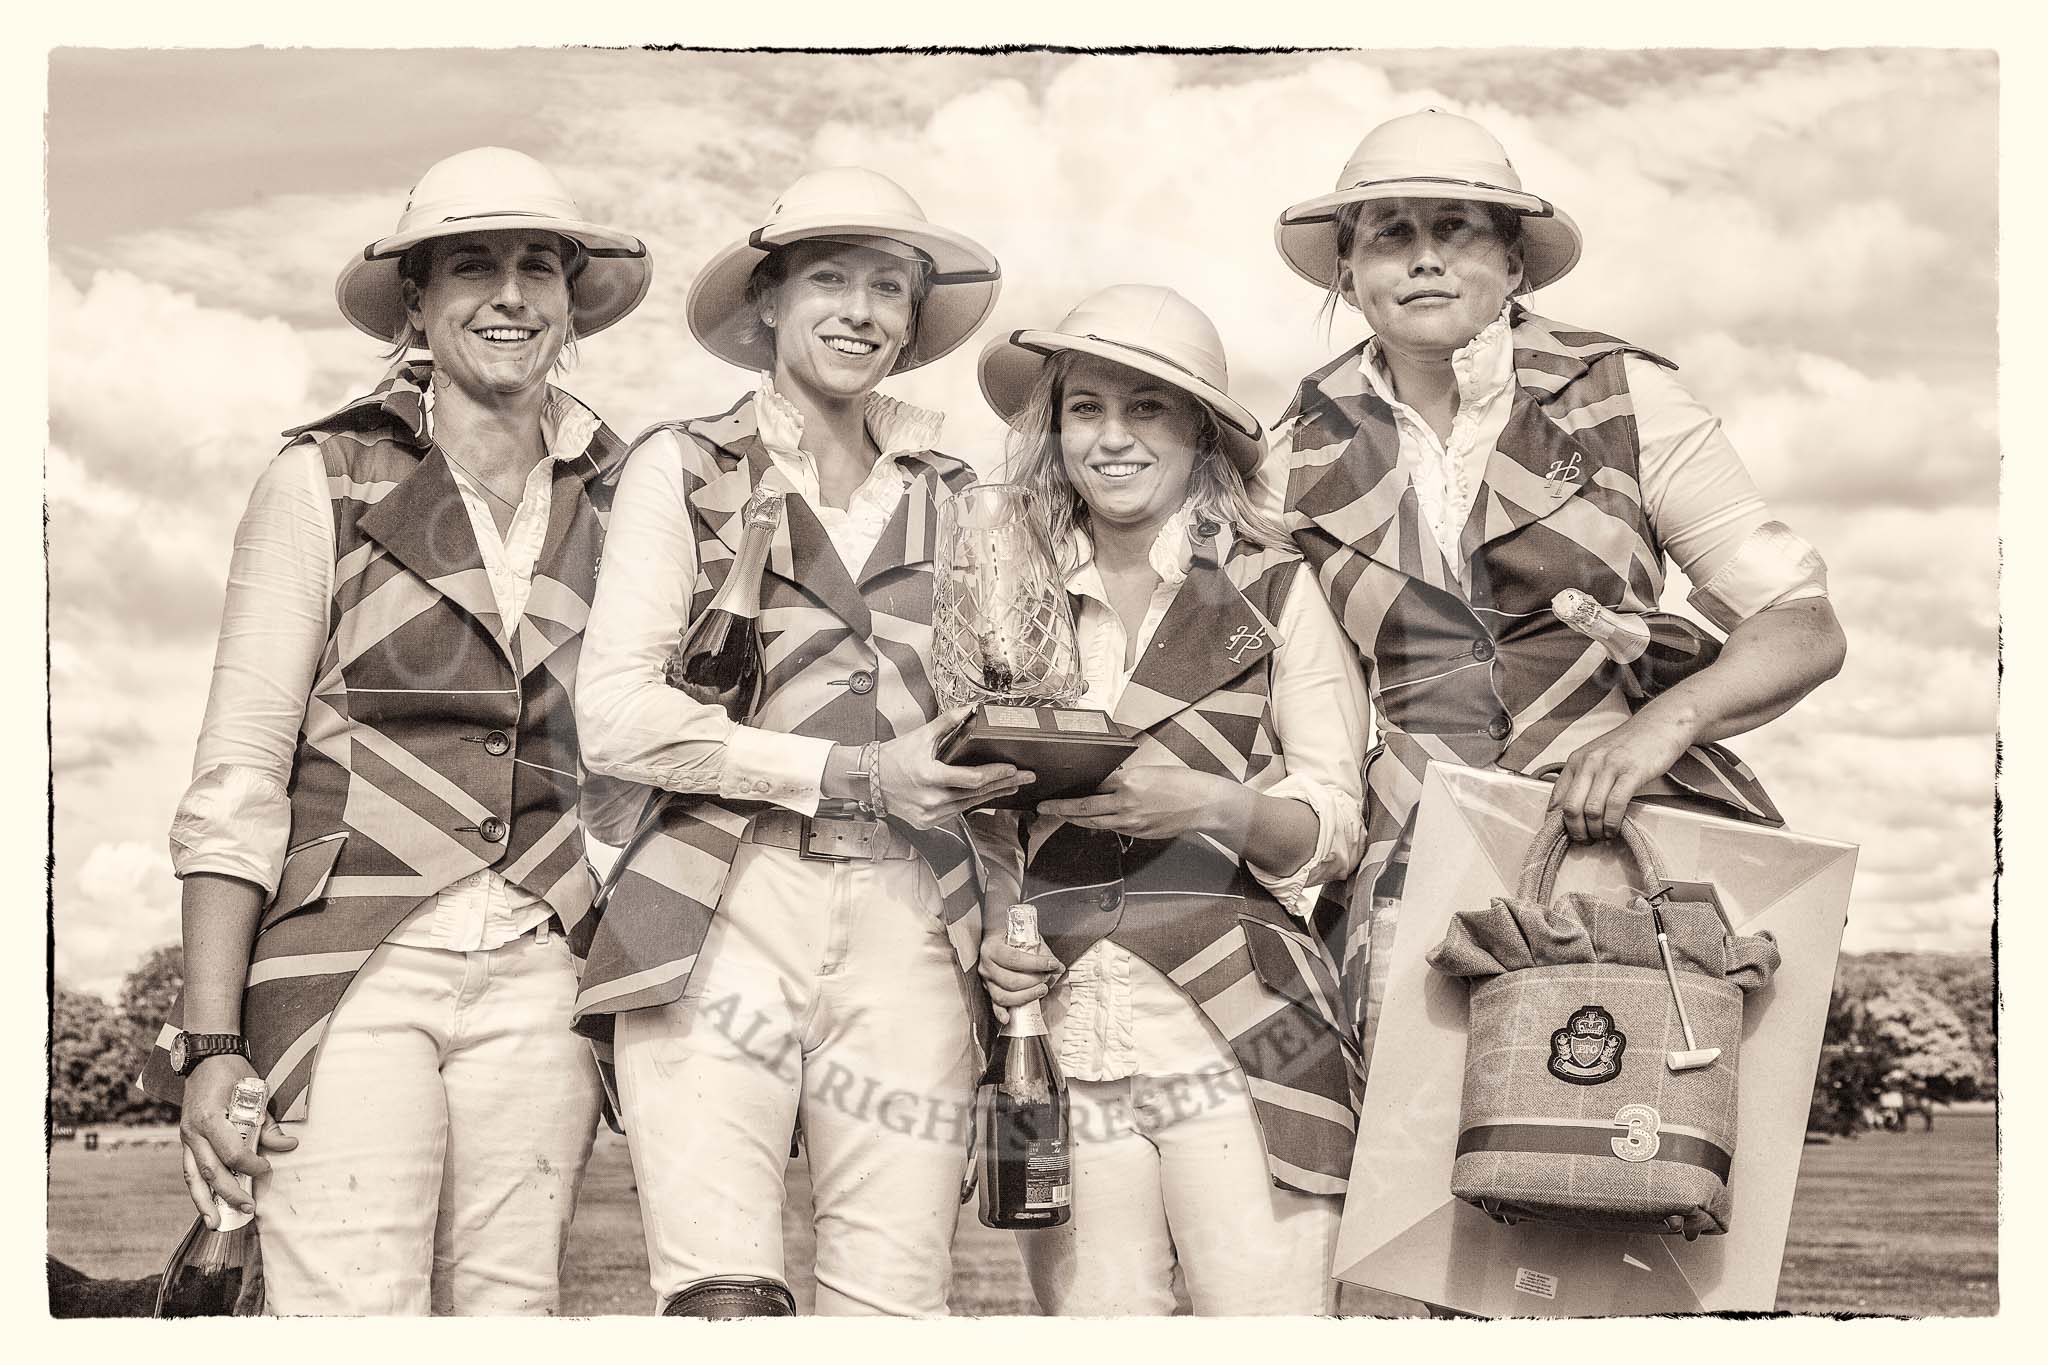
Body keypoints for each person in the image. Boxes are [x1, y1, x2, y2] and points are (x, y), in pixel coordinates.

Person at [138, 147, 652, 1314]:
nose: (509, 295)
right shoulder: (318, 477)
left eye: (539, 266)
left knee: (513, 1306)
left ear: (573, 301)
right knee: (345, 1310)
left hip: (549, 960)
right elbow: (239, 771)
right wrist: (209, 1041)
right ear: (417, 299)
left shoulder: (636, 495)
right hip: (345, 962)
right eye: (471, 265)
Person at [1264, 109, 1848, 1048]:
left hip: (1618, 850)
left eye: (1454, 227)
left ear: (1514, 262)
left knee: (1615, 1146)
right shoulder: (1289, 452)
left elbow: (1803, 624)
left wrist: (1661, 726)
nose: (1423, 259)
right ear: (1348, 268)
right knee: (1408, 1178)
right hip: (1405, 868)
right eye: (1390, 233)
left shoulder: (1629, 396)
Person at [571, 167, 1023, 1318]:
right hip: (715, 901)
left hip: (912, 916)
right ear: (767, 299)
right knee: (722, 1299)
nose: (861, 311)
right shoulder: (681, 464)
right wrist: (850, 771)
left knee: (892, 1298)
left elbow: (1001, 718)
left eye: (889, 288)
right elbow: (616, 715)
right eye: (830, 278)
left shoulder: (962, 493)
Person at [974, 285, 1369, 1315]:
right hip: (1058, 1021)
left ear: (1199, 431)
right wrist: (994, 936)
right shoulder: (1005, 597)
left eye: (1146, 408)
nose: (1111, 438)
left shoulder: (1276, 589)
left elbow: (1331, 824)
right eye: (1084, 408)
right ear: (1052, 429)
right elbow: (975, 821)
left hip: (1241, 1023)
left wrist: (1206, 804)